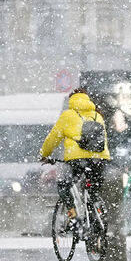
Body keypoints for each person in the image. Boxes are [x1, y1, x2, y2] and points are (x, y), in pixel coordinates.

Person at [38, 88, 111, 220]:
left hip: (77, 159)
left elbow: (53, 138)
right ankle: (96, 218)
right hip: (99, 159)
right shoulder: (97, 115)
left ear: (72, 100)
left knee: (64, 184)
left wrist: (45, 154)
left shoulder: (68, 115)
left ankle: (72, 214)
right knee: (92, 189)